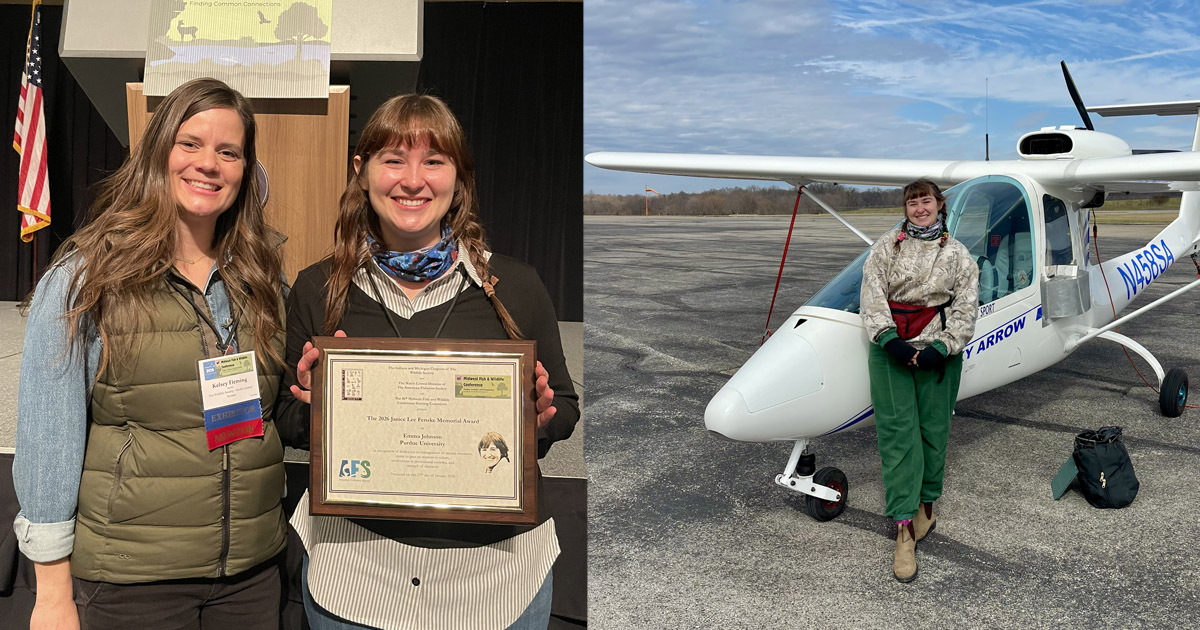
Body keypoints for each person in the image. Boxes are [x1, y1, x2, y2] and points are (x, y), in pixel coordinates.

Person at [277, 93, 580, 629]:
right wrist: (312, 407)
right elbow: (287, 419)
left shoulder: (516, 286)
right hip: (356, 579)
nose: (412, 180)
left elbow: (565, 408)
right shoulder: (318, 288)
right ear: (362, 171)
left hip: (497, 582)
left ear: (458, 178)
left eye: (434, 161)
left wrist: (541, 421)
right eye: (393, 159)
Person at [13, 78, 288, 629]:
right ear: (158, 151)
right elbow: (49, 440)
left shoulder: (260, 282)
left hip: (249, 579)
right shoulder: (85, 278)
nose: (209, 164)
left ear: (245, 170)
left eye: (228, 151)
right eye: (191, 143)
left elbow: (268, 415)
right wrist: (51, 592)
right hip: (131, 584)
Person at [859, 178, 979, 583]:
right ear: (905, 208)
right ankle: (904, 527)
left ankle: (928, 503)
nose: (919, 208)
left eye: (925, 200)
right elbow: (872, 293)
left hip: (937, 351)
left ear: (940, 205)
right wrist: (890, 341)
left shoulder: (959, 255)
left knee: (933, 431)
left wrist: (942, 347)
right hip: (891, 348)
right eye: (912, 202)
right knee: (897, 434)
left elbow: (966, 306)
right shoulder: (885, 246)